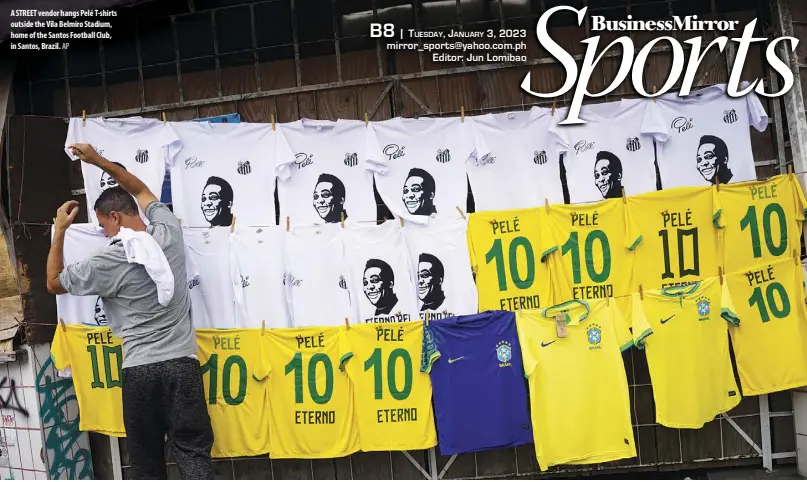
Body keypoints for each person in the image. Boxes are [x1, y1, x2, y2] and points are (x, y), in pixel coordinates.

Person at [47, 144, 214, 480]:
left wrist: (61, 229)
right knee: (194, 456)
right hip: (183, 366)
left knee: (146, 463)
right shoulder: (168, 233)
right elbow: (139, 189)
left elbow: (53, 282)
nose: (104, 233)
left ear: (115, 217)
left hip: (140, 372)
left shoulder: (107, 261)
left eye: (103, 226)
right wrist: (97, 161)